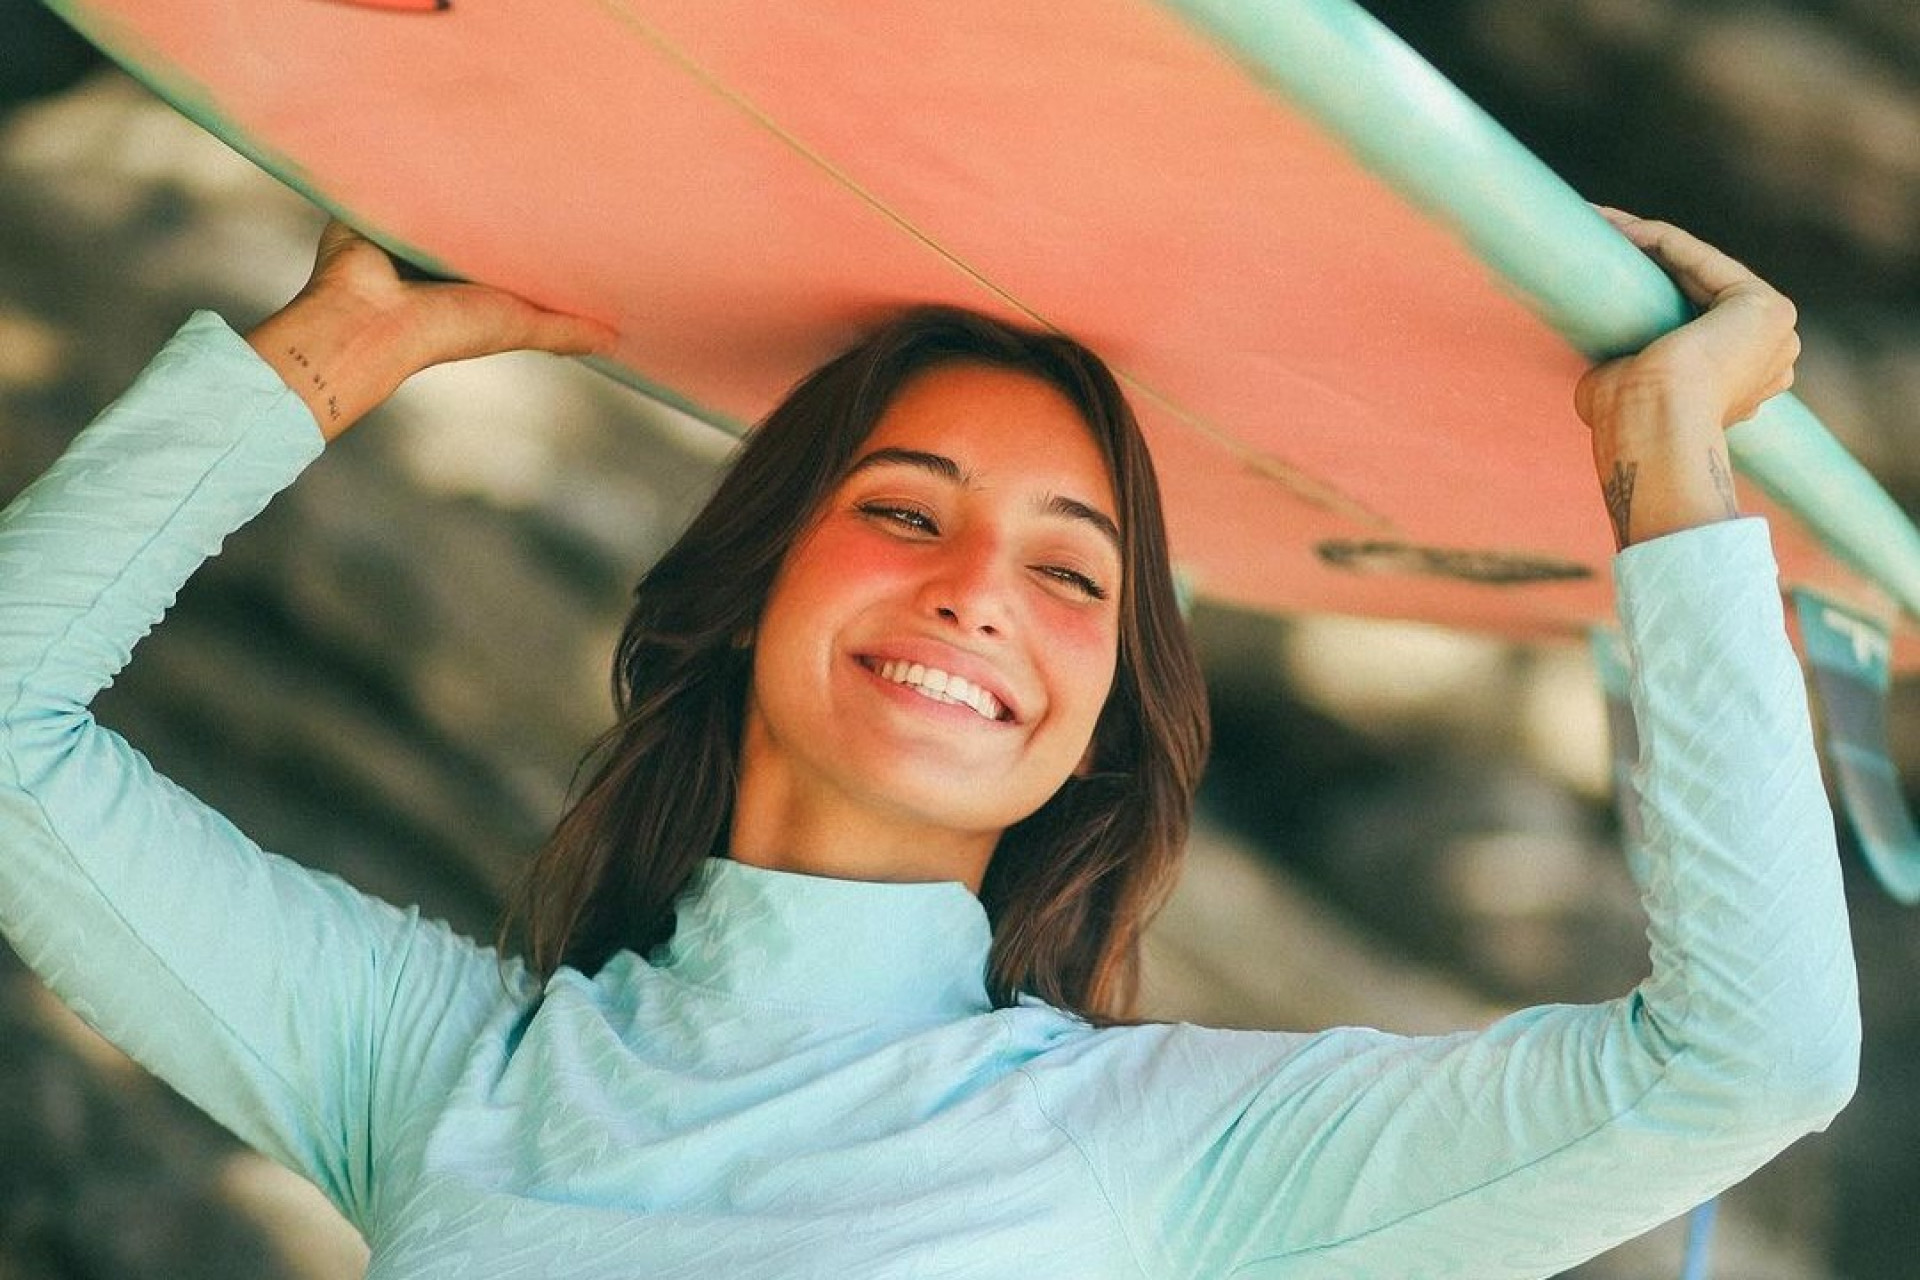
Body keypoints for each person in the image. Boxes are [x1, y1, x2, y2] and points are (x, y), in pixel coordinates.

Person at [0, 209, 1857, 1279]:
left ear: (1097, 727)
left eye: (1073, 574)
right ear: (747, 589)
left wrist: (1668, 470)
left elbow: (1744, 1065)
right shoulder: (442, 1074)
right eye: (904, 513)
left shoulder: (1157, 1156)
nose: (979, 591)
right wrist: (319, 360)